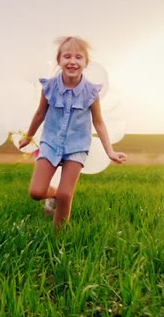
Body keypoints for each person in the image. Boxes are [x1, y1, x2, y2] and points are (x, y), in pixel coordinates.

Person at [19, 36, 127, 229]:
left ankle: (59, 240)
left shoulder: (91, 92)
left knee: (65, 195)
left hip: (76, 147)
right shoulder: (49, 87)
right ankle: (51, 197)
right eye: (67, 56)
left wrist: (110, 151)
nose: (72, 61)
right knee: (36, 192)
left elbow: (99, 122)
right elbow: (39, 113)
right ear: (59, 61)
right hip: (50, 143)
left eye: (78, 57)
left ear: (86, 63)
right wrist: (28, 136)